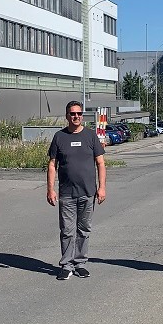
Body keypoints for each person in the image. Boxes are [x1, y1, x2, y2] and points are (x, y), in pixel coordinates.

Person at [47, 100, 106, 280]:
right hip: (67, 194)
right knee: (67, 231)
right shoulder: (59, 137)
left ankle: (80, 264)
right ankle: (66, 265)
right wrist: (50, 189)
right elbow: (52, 165)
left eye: (79, 113)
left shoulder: (90, 136)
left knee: (84, 230)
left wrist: (102, 187)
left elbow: (100, 163)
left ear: (82, 116)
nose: (76, 116)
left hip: (88, 192)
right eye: (72, 113)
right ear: (67, 116)